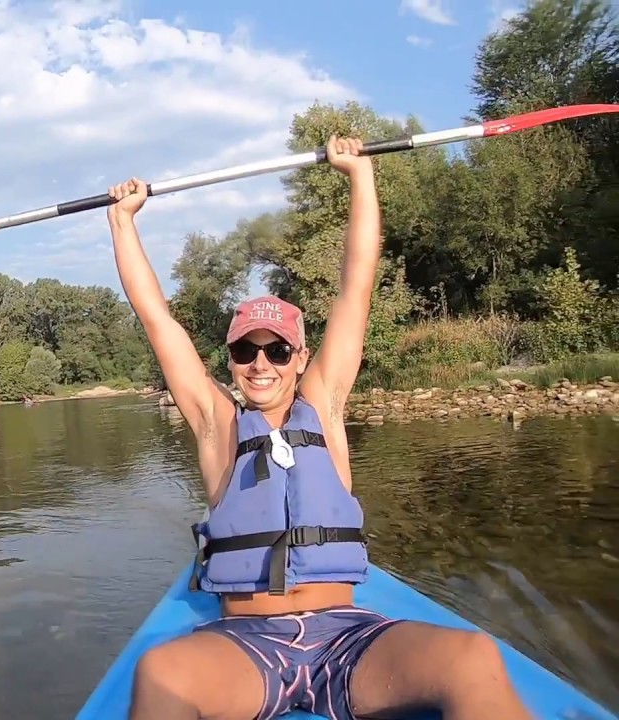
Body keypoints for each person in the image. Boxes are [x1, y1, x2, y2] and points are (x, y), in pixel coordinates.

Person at [106, 135, 532, 720]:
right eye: (247, 351)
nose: (262, 364)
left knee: (471, 656)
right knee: (162, 672)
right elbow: (157, 319)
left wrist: (359, 175)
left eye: (278, 350)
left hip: (348, 640)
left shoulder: (324, 404)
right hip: (248, 648)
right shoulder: (216, 423)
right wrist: (123, 221)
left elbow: (357, 285)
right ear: (230, 359)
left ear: (301, 357)